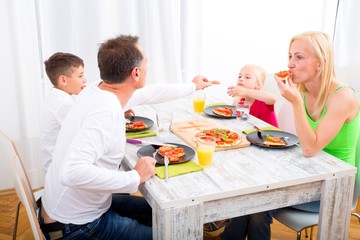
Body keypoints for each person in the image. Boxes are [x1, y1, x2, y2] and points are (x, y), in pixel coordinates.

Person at [40, 35, 214, 240]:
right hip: (76, 227)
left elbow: (151, 92)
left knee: (171, 215)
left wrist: (192, 86)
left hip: (72, 210)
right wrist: (134, 177)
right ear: (136, 72)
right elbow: (71, 172)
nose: (148, 67)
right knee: (177, 234)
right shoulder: (105, 111)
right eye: (146, 62)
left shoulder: (97, 90)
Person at [275, 31, 360, 213]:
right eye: (290, 56)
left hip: (334, 187)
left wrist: (296, 102)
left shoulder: (343, 97)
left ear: (319, 63)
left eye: (299, 57)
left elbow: (309, 149)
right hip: (307, 174)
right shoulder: (303, 90)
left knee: (258, 201)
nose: (290, 64)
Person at [219, 64, 279, 240]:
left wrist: (246, 93)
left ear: (258, 86)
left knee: (256, 211)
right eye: (239, 76)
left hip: (271, 160)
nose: (241, 79)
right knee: (241, 199)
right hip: (251, 158)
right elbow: (237, 128)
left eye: (247, 77)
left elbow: (272, 98)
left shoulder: (263, 101)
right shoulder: (241, 103)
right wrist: (237, 102)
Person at [40, 52, 87, 173]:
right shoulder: (63, 105)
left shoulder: (59, 97)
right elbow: (86, 126)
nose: (85, 80)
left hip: (57, 165)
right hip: (59, 170)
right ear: (63, 80)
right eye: (80, 76)